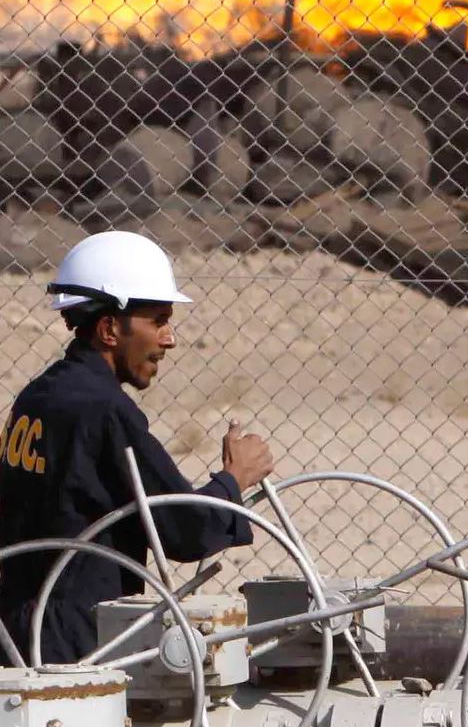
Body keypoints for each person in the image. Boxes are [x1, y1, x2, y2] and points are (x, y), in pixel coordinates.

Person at [0, 230, 275, 663]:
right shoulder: (105, 411)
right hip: (80, 641)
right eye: (158, 321)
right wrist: (234, 478)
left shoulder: (40, 395)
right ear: (110, 329)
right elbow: (183, 529)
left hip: (15, 629)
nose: (169, 339)